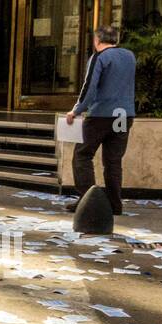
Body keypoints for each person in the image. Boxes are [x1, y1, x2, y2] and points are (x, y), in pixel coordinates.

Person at [65, 25, 137, 215]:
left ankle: (89, 202)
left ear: (97, 40)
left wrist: (76, 110)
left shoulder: (99, 57)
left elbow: (89, 88)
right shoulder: (129, 56)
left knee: (82, 155)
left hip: (101, 116)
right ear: (116, 39)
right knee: (113, 161)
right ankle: (115, 205)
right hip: (123, 115)